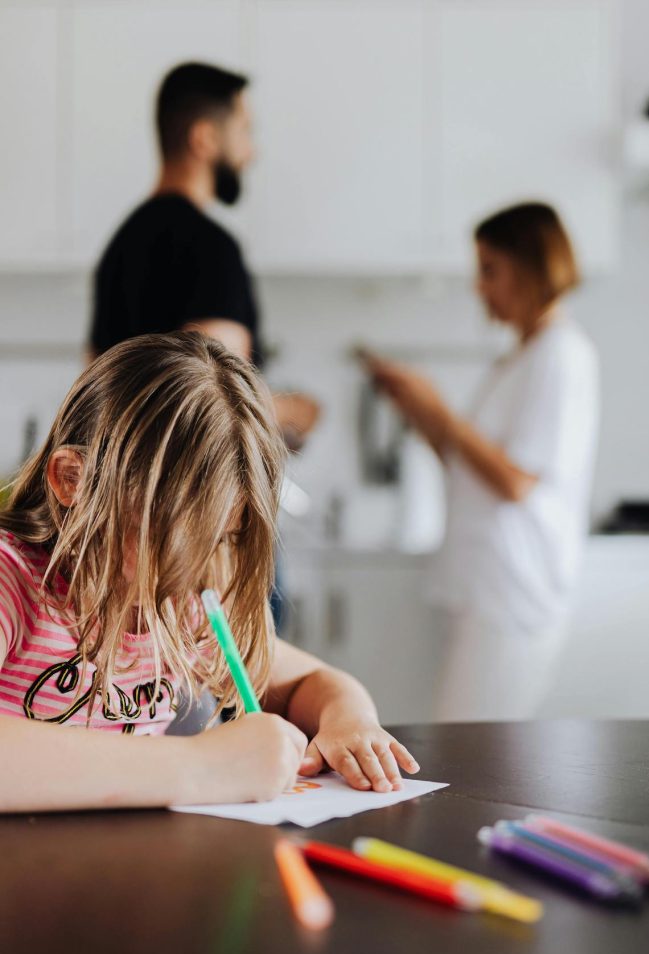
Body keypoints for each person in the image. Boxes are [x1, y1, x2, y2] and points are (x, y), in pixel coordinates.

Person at [0, 332, 418, 812]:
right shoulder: (11, 581)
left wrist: (349, 718)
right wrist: (199, 765)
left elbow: (314, 681)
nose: (198, 566)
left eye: (220, 538)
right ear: (73, 480)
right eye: (179, 534)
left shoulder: (181, 610)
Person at [365, 203, 599, 721]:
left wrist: (442, 413)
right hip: (488, 593)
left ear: (530, 267)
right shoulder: (521, 357)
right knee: (469, 747)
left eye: (490, 270)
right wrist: (419, 410)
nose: (479, 287)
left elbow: (516, 482)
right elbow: (468, 465)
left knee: (473, 754)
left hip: (515, 595)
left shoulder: (561, 356)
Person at [89, 61, 319, 456]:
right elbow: (214, 402)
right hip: (190, 503)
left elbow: (97, 389)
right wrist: (292, 410)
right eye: (244, 131)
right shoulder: (212, 248)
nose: (252, 151)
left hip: (125, 494)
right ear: (205, 138)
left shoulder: (118, 246)